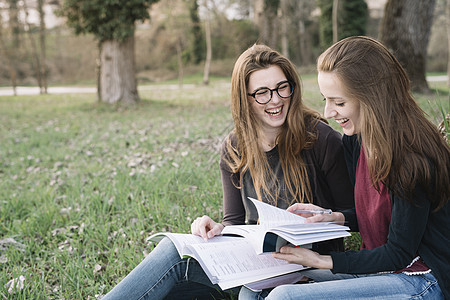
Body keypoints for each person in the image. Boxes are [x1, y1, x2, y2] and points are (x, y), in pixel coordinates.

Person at [102, 44, 354, 300]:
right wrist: (216, 228)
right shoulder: (235, 147)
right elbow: (234, 222)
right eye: (262, 93)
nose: (276, 99)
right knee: (172, 256)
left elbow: (355, 216)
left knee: (249, 294)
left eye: (281, 87)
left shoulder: (321, 139)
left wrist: (326, 219)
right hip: (257, 266)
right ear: (244, 98)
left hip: (310, 270)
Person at [239, 36, 450, 300]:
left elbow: (399, 252)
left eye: (339, 103)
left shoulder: (412, 158)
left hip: (421, 279)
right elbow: (377, 215)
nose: (328, 112)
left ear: (373, 98)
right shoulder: (356, 141)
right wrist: (335, 217)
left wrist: (322, 260)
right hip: (379, 267)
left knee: (284, 297)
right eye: (326, 100)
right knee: (255, 286)